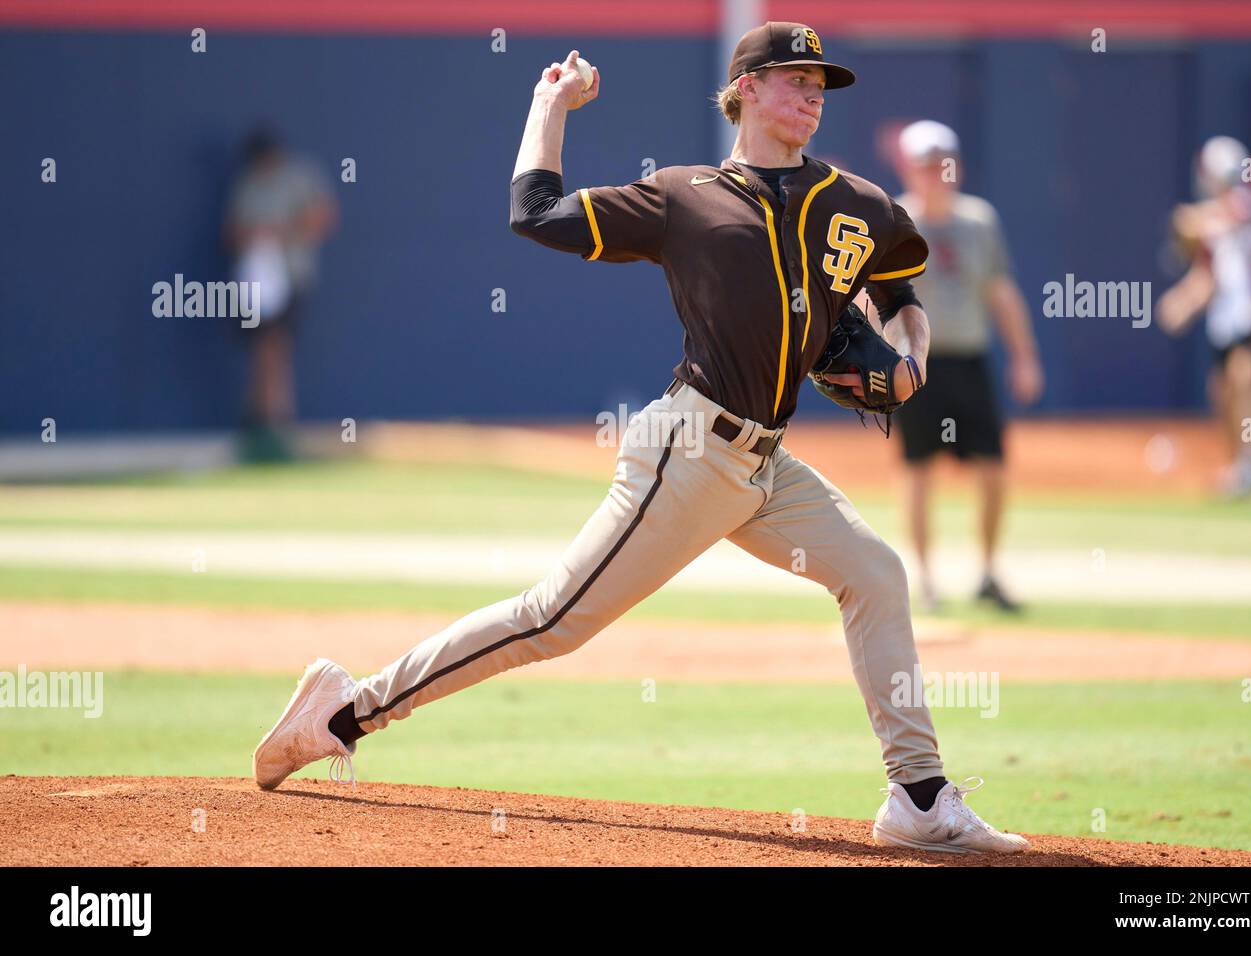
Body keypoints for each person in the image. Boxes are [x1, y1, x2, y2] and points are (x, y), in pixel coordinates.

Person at [252, 23, 1028, 854]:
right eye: (794, 78)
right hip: (689, 454)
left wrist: (908, 360)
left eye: (819, 83)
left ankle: (918, 796)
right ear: (747, 90)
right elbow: (535, 213)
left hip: (767, 463)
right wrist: (550, 105)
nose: (812, 94)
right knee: (551, 620)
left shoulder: (856, 200)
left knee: (875, 573)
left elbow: (899, 281)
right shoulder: (684, 196)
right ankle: (345, 708)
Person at [875, 121, 1042, 613]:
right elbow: (873, 297)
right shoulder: (895, 218)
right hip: (915, 362)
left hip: (970, 357)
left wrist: (1023, 356)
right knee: (917, 468)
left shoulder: (978, 221)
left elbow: (1001, 292)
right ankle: (924, 577)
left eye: (943, 162)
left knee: (992, 465)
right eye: (926, 164)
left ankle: (988, 570)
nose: (936, 173)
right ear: (909, 168)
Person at [1157, 136, 1251, 497]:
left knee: (1243, 381)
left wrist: (1190, 222)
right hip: (1225, 320)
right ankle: (1239, 466)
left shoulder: (1244, 204)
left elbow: (1227, 216)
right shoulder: (1213, 222)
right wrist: (1184, 302)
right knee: (1222, 392)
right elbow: (1208, 275)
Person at [224, 126, 338, 461]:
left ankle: (278, 423)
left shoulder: (301, 176)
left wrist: (279, 232)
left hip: (289, 279)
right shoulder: (247, 183)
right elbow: (231, 231)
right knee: (261, 349)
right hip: (255, 282)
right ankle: (258, 421)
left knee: (277, 347)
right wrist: (255, 236)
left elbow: (323, 217)